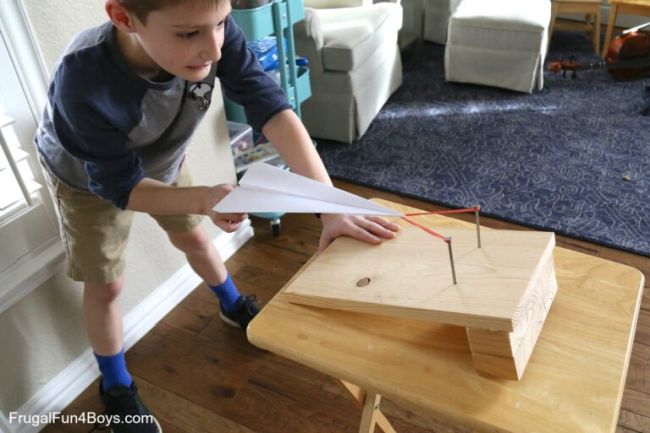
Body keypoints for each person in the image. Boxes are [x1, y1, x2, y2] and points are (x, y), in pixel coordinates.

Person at [34, 0, 400, 431]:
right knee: (108, 284)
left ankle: (231, 305)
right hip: (89, 183)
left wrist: (329, 207)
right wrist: (204, 198)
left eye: (221, 24)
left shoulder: (211, 32)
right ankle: (115, 387)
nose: (213, 48)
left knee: (193, 237)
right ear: (123, 18)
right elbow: (121, 187)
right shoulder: (83, 79)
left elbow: (273, 110)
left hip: (160, 162)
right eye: (189, 34)